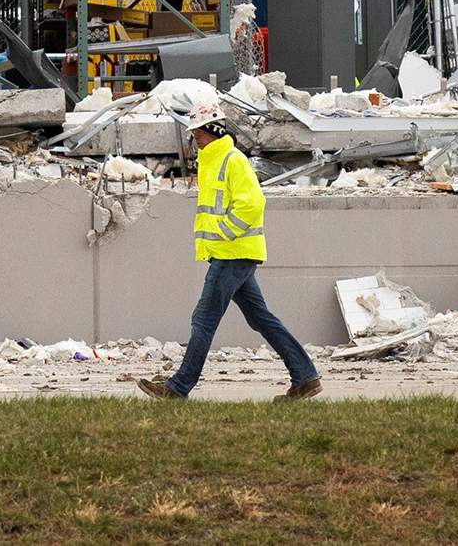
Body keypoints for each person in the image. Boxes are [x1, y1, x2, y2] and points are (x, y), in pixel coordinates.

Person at [138, 99, 322, 400]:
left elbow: (252, 203)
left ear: (212, 130)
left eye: (198, 132)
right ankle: (305, 377)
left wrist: (224, 233)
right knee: (260, 317)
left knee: (203, 319)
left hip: (232, 251)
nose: (194, 137)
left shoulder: (232, 160)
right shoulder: (212, 160)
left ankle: (178, 387)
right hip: (233, 251)